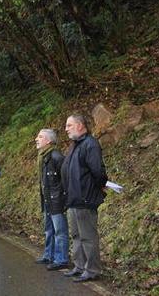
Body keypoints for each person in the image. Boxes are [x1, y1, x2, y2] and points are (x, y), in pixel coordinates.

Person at [61, 114, 108, 282]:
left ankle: (92, 269)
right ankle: (79, 266)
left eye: (69, 125)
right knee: (76, 236)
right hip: (73, 200)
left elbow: (98, 172)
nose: (66, 129)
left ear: (80, 126)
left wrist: (100, 187)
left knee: (88, 236)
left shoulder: (90, 144)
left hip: (85, 199)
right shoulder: (75, 145)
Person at [33, 129, 69, 271]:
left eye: (40, 136)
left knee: (60, 231)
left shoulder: (56, 156)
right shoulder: (43, 156)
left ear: (48, 141)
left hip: (57, 200)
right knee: (49, 230)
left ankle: (61, 259)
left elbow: (65, 180)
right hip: (48, 199)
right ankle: (49, 255)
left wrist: (63, 199)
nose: (36, 139)